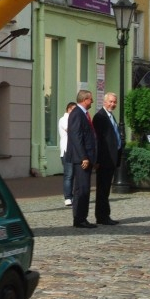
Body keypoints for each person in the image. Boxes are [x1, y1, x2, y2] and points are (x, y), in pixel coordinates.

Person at [65, 89, 97, 229]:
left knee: (83, 189)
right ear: (85, 99)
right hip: (81, 158)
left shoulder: (83, 114)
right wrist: (83, 156)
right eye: (90, 99)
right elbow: (76, 137)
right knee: (82, 189)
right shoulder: (77, 114)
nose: (92, 101)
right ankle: (79, 219)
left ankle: (81, 218)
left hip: (86, 157)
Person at [92, 92, 123, 225]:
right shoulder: (100, 117)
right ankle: (102, 216)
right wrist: (97, 160)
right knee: (102, 189)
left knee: (105, 189)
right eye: (110, 101)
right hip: (104, 159)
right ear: (104, 102)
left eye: (114, 102)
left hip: (112, 158)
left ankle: (104, 215)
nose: (113, 104)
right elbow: (98, 140)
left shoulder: (110, 116)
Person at [58, 101, 76, 207]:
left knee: (73, 174)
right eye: (73, 110)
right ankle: (68, 197)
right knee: (68, 174)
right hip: (66, 150)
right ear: (68, 109)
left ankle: (72, 195)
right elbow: (70, 130)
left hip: (74, 150)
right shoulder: (64, 119)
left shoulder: (73, 119)